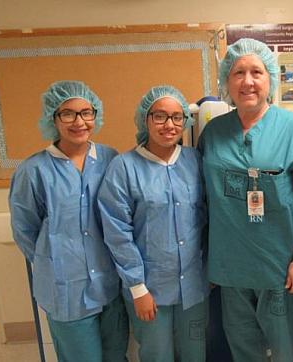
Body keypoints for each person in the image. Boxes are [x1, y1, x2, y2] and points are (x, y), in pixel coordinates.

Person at [198, 38, 293, 361]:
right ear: (227, 81)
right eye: (238, 72)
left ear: (270, 78)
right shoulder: (213, 133)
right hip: (231, 269)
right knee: (243, 351)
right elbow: (202, 199)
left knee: (285, 350)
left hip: (279, 268)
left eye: (257, 72)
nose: (248, 81)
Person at [9, 80, 129, 362]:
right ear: (53, 118)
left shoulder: (111, 159)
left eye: (87, 113)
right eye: (68, 113)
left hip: (110, 285)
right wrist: (56, 260)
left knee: (116, 356)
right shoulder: (34, 170)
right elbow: (26, 230)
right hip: (66, 291)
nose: (79, 122)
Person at [98, 85, 209, 362]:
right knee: (156, 354)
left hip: (194, 286)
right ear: (144, 120)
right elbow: (117, 233)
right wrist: (138, 288)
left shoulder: (195, 162)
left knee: (195, 353)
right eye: (159, 116)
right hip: (150, 289)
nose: (169, 125)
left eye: (177, 117)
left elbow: (208, 219)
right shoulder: (123, 168)